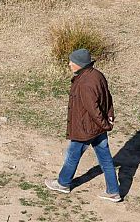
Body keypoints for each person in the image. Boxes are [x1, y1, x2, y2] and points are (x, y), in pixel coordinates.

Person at [46, 48, 122, 201]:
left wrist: (105, 124)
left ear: (79, 64)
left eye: (71, 62)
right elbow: (108, 97)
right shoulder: (97, 75)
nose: (69, 64)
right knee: (106, 159)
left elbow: (93, 110)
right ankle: (113, 191)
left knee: (73, 155)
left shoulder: (85, 83)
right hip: (97, 128)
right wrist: (109, 117)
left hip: (86, 128)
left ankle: (63, 183)